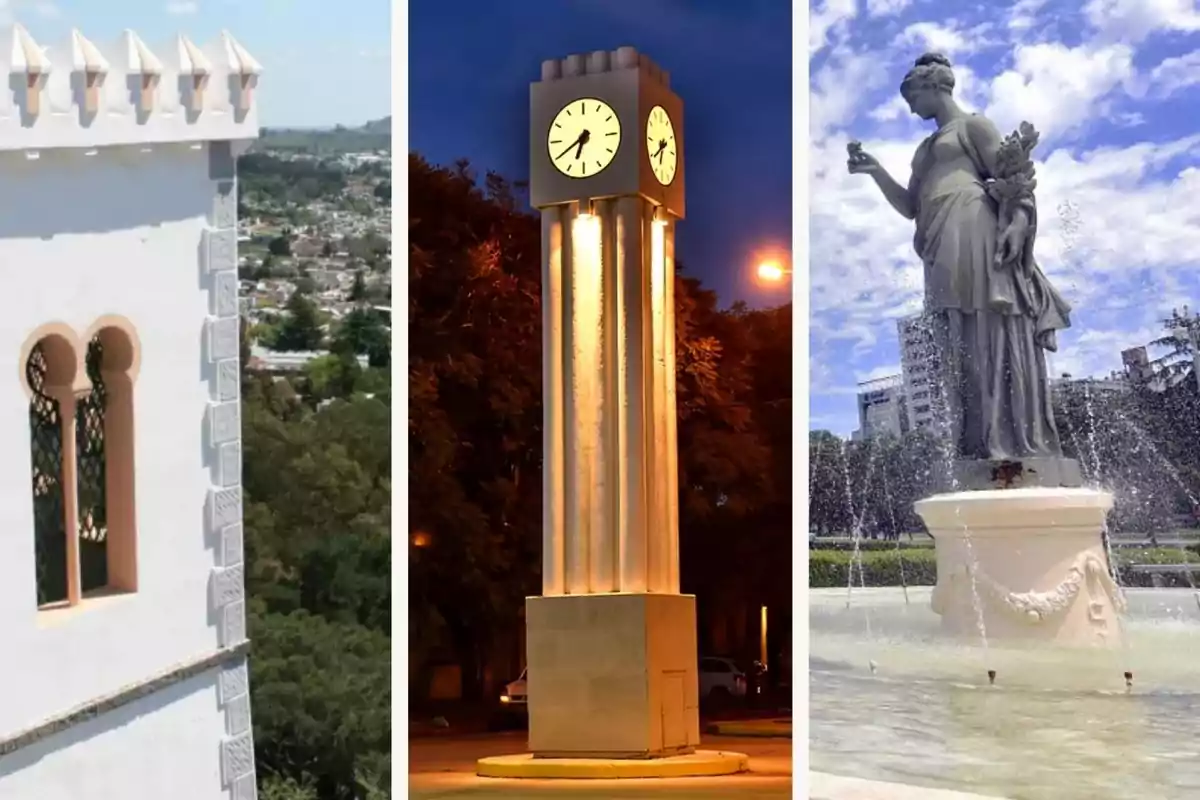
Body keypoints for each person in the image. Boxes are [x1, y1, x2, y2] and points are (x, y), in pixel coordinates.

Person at [847, 52, 1072, 462]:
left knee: (989, 319)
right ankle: (977, 436)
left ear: (934, 87)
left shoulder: (973, 126)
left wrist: (1018, 223)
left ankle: (1011, 436)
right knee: (957, 335)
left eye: (913, 96)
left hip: (974, 226)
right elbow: (910, 205)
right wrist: (876, 171)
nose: (911, 107)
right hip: (936, 238)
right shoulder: (924, 148)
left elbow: (1014, 180)